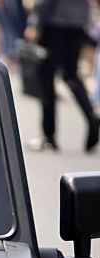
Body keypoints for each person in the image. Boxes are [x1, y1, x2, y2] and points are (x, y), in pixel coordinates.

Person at [25, 0, 100, 152]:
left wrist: (35, 22)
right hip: (78, 21)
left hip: (54, 21)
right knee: (71, 74)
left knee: (46, 77)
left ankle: (49, 136)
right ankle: (90, 116)